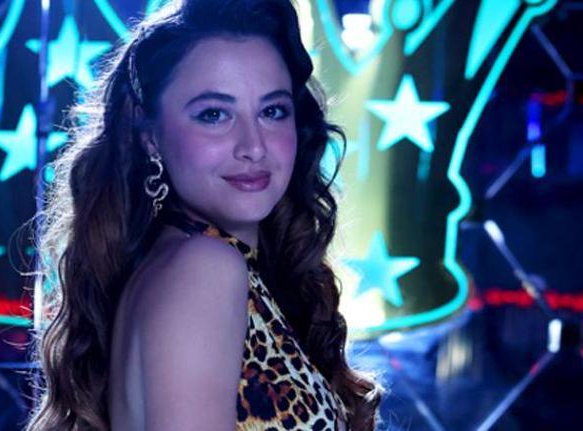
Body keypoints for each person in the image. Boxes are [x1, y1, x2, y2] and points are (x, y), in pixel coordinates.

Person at [26, 0, 382, 429]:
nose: (253, 146)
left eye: (272, 111)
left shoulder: (194, 264)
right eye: (214, 115)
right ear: (150, 135)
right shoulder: (204, 268)